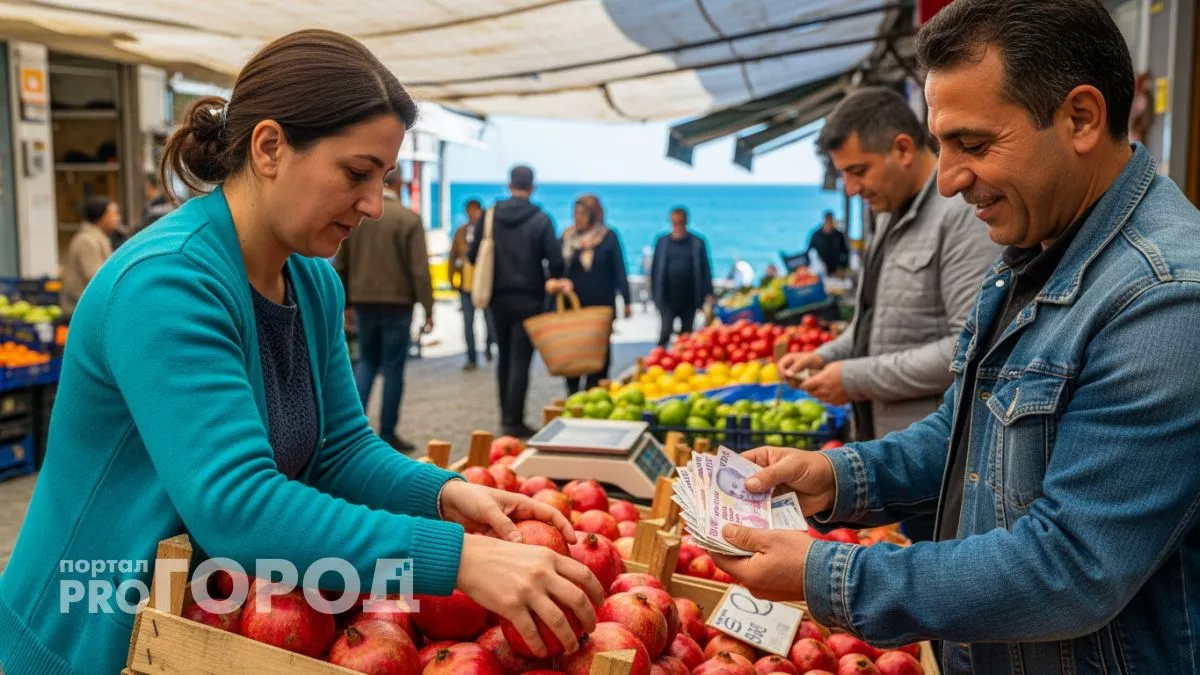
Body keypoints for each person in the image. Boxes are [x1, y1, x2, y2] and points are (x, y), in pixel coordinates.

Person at [0, 31, 603, 675]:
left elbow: (340, 450)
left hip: (195, 627)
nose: (374, 205)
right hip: (85, 633)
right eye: (356, 173)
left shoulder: (312, 280)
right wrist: (458, 559)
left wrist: (447, 495)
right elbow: (237, 507)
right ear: (269, 148)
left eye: (383, 178)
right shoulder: (166, 285)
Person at [711, 2, 1200, 674]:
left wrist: (832, 574)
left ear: (1081, 119)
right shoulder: (1037, 251)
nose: (947, 180)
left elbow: (1071, 567)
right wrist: (834, 477)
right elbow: (962, 435)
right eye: (943, 145)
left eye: (973, 144)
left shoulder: (1164, 298)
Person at [779, 87, 1000, 444]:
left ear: (903, 149)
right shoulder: (886, 212)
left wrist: (853, 378)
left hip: (931, 450)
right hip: (885, 442)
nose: (850, 189)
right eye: (843, 174)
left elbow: (968, 349)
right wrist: (824, 357)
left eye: (858, 171)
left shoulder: (962, 216)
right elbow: (873, 322)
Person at [335, 170, 435, 452]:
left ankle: (351, 432)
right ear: (400, 184)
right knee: (393, 368)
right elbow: (419, 270)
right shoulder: (408, 219)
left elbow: (342, 262)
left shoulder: (358, 218)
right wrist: (428, 308)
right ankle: (388, 433)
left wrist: (345, 302)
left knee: (366, 362)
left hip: (363, 300)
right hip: (398, 303)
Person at [468, 165, 571, 438]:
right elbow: (556, 261)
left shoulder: (490, 215)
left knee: (504, 357)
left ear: (509, 184)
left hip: (497, 298)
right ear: (533, 187)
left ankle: (506, 415)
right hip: (530, 299)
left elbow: (473, 255)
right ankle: (514, 420)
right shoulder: (541, 219)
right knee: (520, 360)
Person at [560, 194, 631, 394]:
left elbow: (619, 270)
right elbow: (556, 269)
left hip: (601, 306)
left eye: (583, 214)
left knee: (599, 356)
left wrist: (626, 300)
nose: (578, 218)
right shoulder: (567, 238)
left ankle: (594, 392)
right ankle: (573, 394)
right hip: (573, 308)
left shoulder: (608, 237)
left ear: (593, 215)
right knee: (573, 353)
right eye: (575, 213)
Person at [650, 207, 714, 347]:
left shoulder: (697, 243)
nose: (678, 226)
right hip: (667, 298)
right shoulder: (662, 242)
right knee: (665, 332)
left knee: (687, 335)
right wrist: (654, 295)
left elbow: (705, 269)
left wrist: (708, 293)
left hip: (690, 298)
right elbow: (654, 270)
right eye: (675, 223)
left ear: (686, 222)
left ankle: (684, 358)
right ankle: (659, 357)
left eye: (680, 223)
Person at [449, 198, 497, 370]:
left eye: (474, 211)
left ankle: (489, 347)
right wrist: (452, 280)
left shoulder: (488, 232)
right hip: (466, 286)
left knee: (489, 323)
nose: (472, 214)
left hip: (484, 284)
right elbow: (453, 257)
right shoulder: (461, 232)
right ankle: (471, 357)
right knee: (468, 323)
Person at [60, 195, 120, 316]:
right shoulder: (87, 241)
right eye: (113, 214)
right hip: (82, 312)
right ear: (100, 217)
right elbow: (95, 278)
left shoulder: (97, 238)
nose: (118, 218)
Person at [805, 210, 851, 275]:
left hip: (835, 270)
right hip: (820, 270)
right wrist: (808, 265)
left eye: (830, 220)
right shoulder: (816, 235)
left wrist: (843, 267)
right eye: (827, 220)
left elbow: (845, 252)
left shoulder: (838, 235)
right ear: (824, 220)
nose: (829, 222)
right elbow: (809, 251)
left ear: (832, 221)